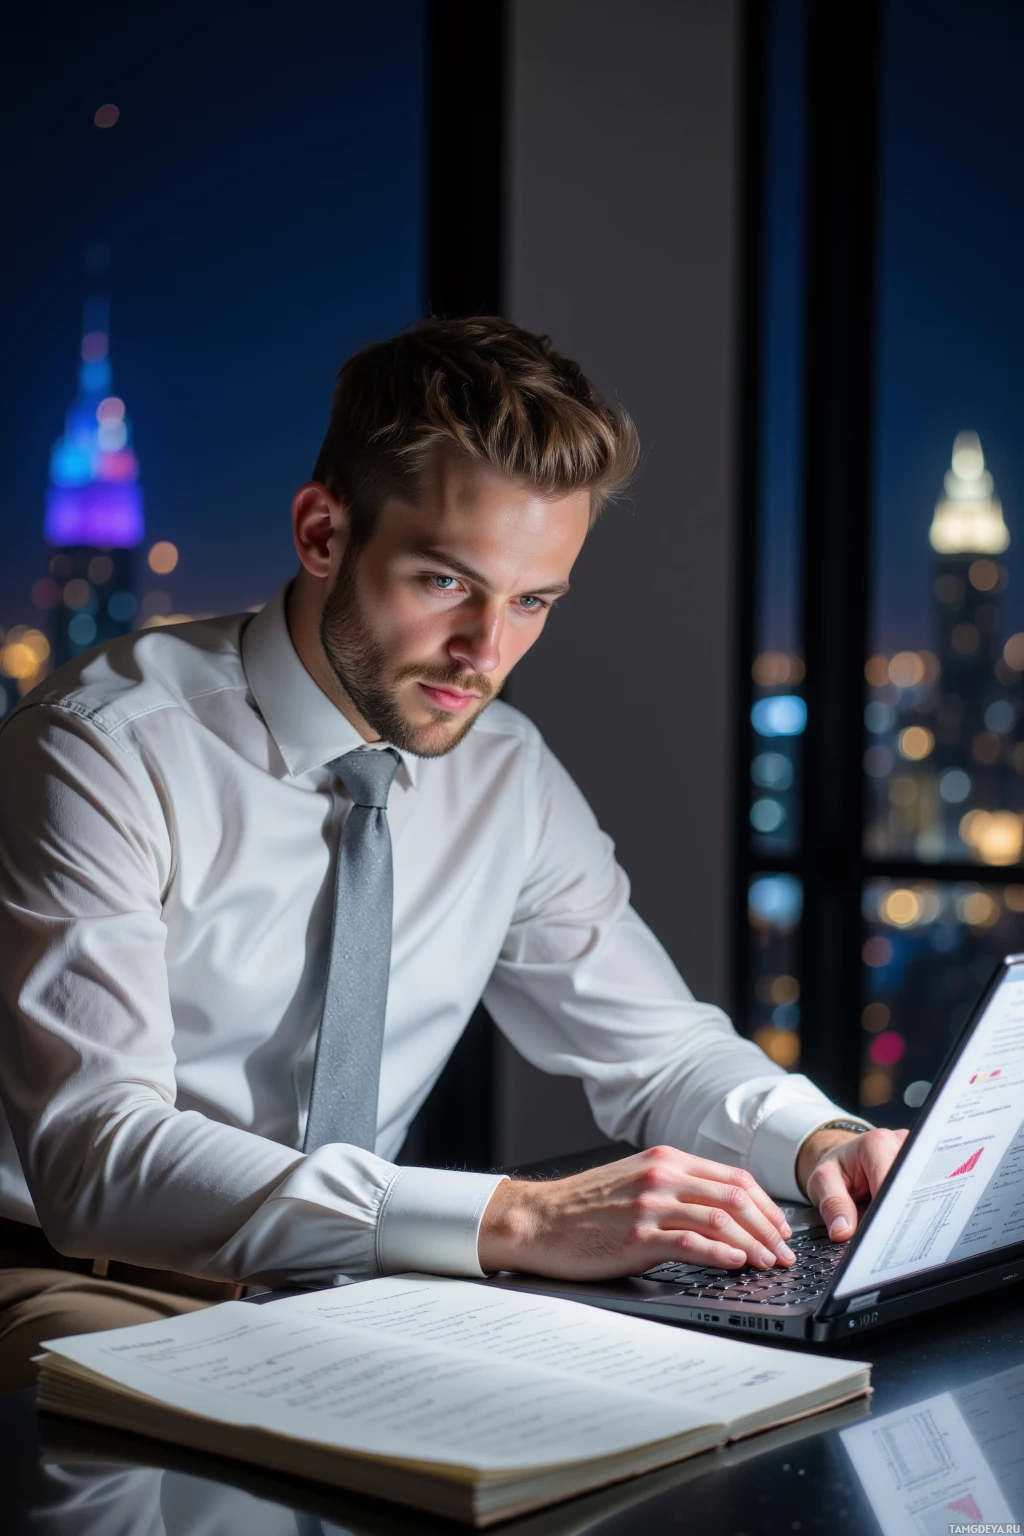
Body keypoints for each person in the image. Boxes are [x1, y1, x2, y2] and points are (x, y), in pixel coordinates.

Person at [0, 317, 906, 1388]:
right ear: (322, 533)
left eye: (531, 602)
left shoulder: (504, 773)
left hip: (367, 1284)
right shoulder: (102, 747)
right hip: (79, 1278)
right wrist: (514, 1216)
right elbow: (98, 1157)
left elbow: (657, 1051)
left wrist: (820, 1139)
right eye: (445, 583)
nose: (486, 652)